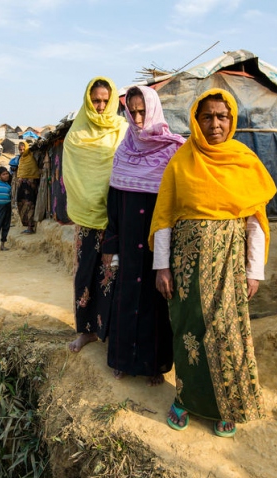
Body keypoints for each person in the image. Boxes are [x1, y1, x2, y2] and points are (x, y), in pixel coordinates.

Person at [150, 89, 276, 438]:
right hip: (186, 266)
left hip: (229, 266)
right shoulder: (181, 161)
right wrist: (162, 267)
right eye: (208, 116)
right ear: (196, 119)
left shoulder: (245, 161)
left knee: (226, 332)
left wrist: (254, 271)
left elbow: (256, 224)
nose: (215, 123)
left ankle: (227, 406)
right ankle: (185, 398)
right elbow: (164, 218)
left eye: (222, 116)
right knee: (188, 329)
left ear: (232, 120)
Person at [102, 86, 184, 385]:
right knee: (125, 299)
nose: (137, 118)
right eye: (131, 111)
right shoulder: (124, 150)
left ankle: (154, 366)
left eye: (142, 111)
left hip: (157, 243)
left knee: (155, 302)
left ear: (153, 109)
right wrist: (111, 243)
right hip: (127, 240)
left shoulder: (173, 150)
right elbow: (113, 201)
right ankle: (122, 360)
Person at [63, 76, 127, 352]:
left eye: (104, 100)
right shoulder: (75, 134)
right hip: (87, 219)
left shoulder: (124, 130)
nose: (100, 106)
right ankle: (86, 331)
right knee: (85, 274)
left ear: (112, 101)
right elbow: (72, 176)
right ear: (88, 101)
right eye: (95, 100)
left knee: (113, 275)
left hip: (115, 216)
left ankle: (111, 332)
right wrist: (87, 198)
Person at [15, 141, 41, 234]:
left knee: (30, 205)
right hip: (22, 186)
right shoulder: (21, 159)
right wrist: (21, 178)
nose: (22, 151)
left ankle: (31, 227)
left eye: (23, 149)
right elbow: (20, 172)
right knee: (20, 204)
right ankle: (26, 225)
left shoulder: (30, 159)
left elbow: (33, 171)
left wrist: (26, 178)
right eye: (20, 149)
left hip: (29, 186)